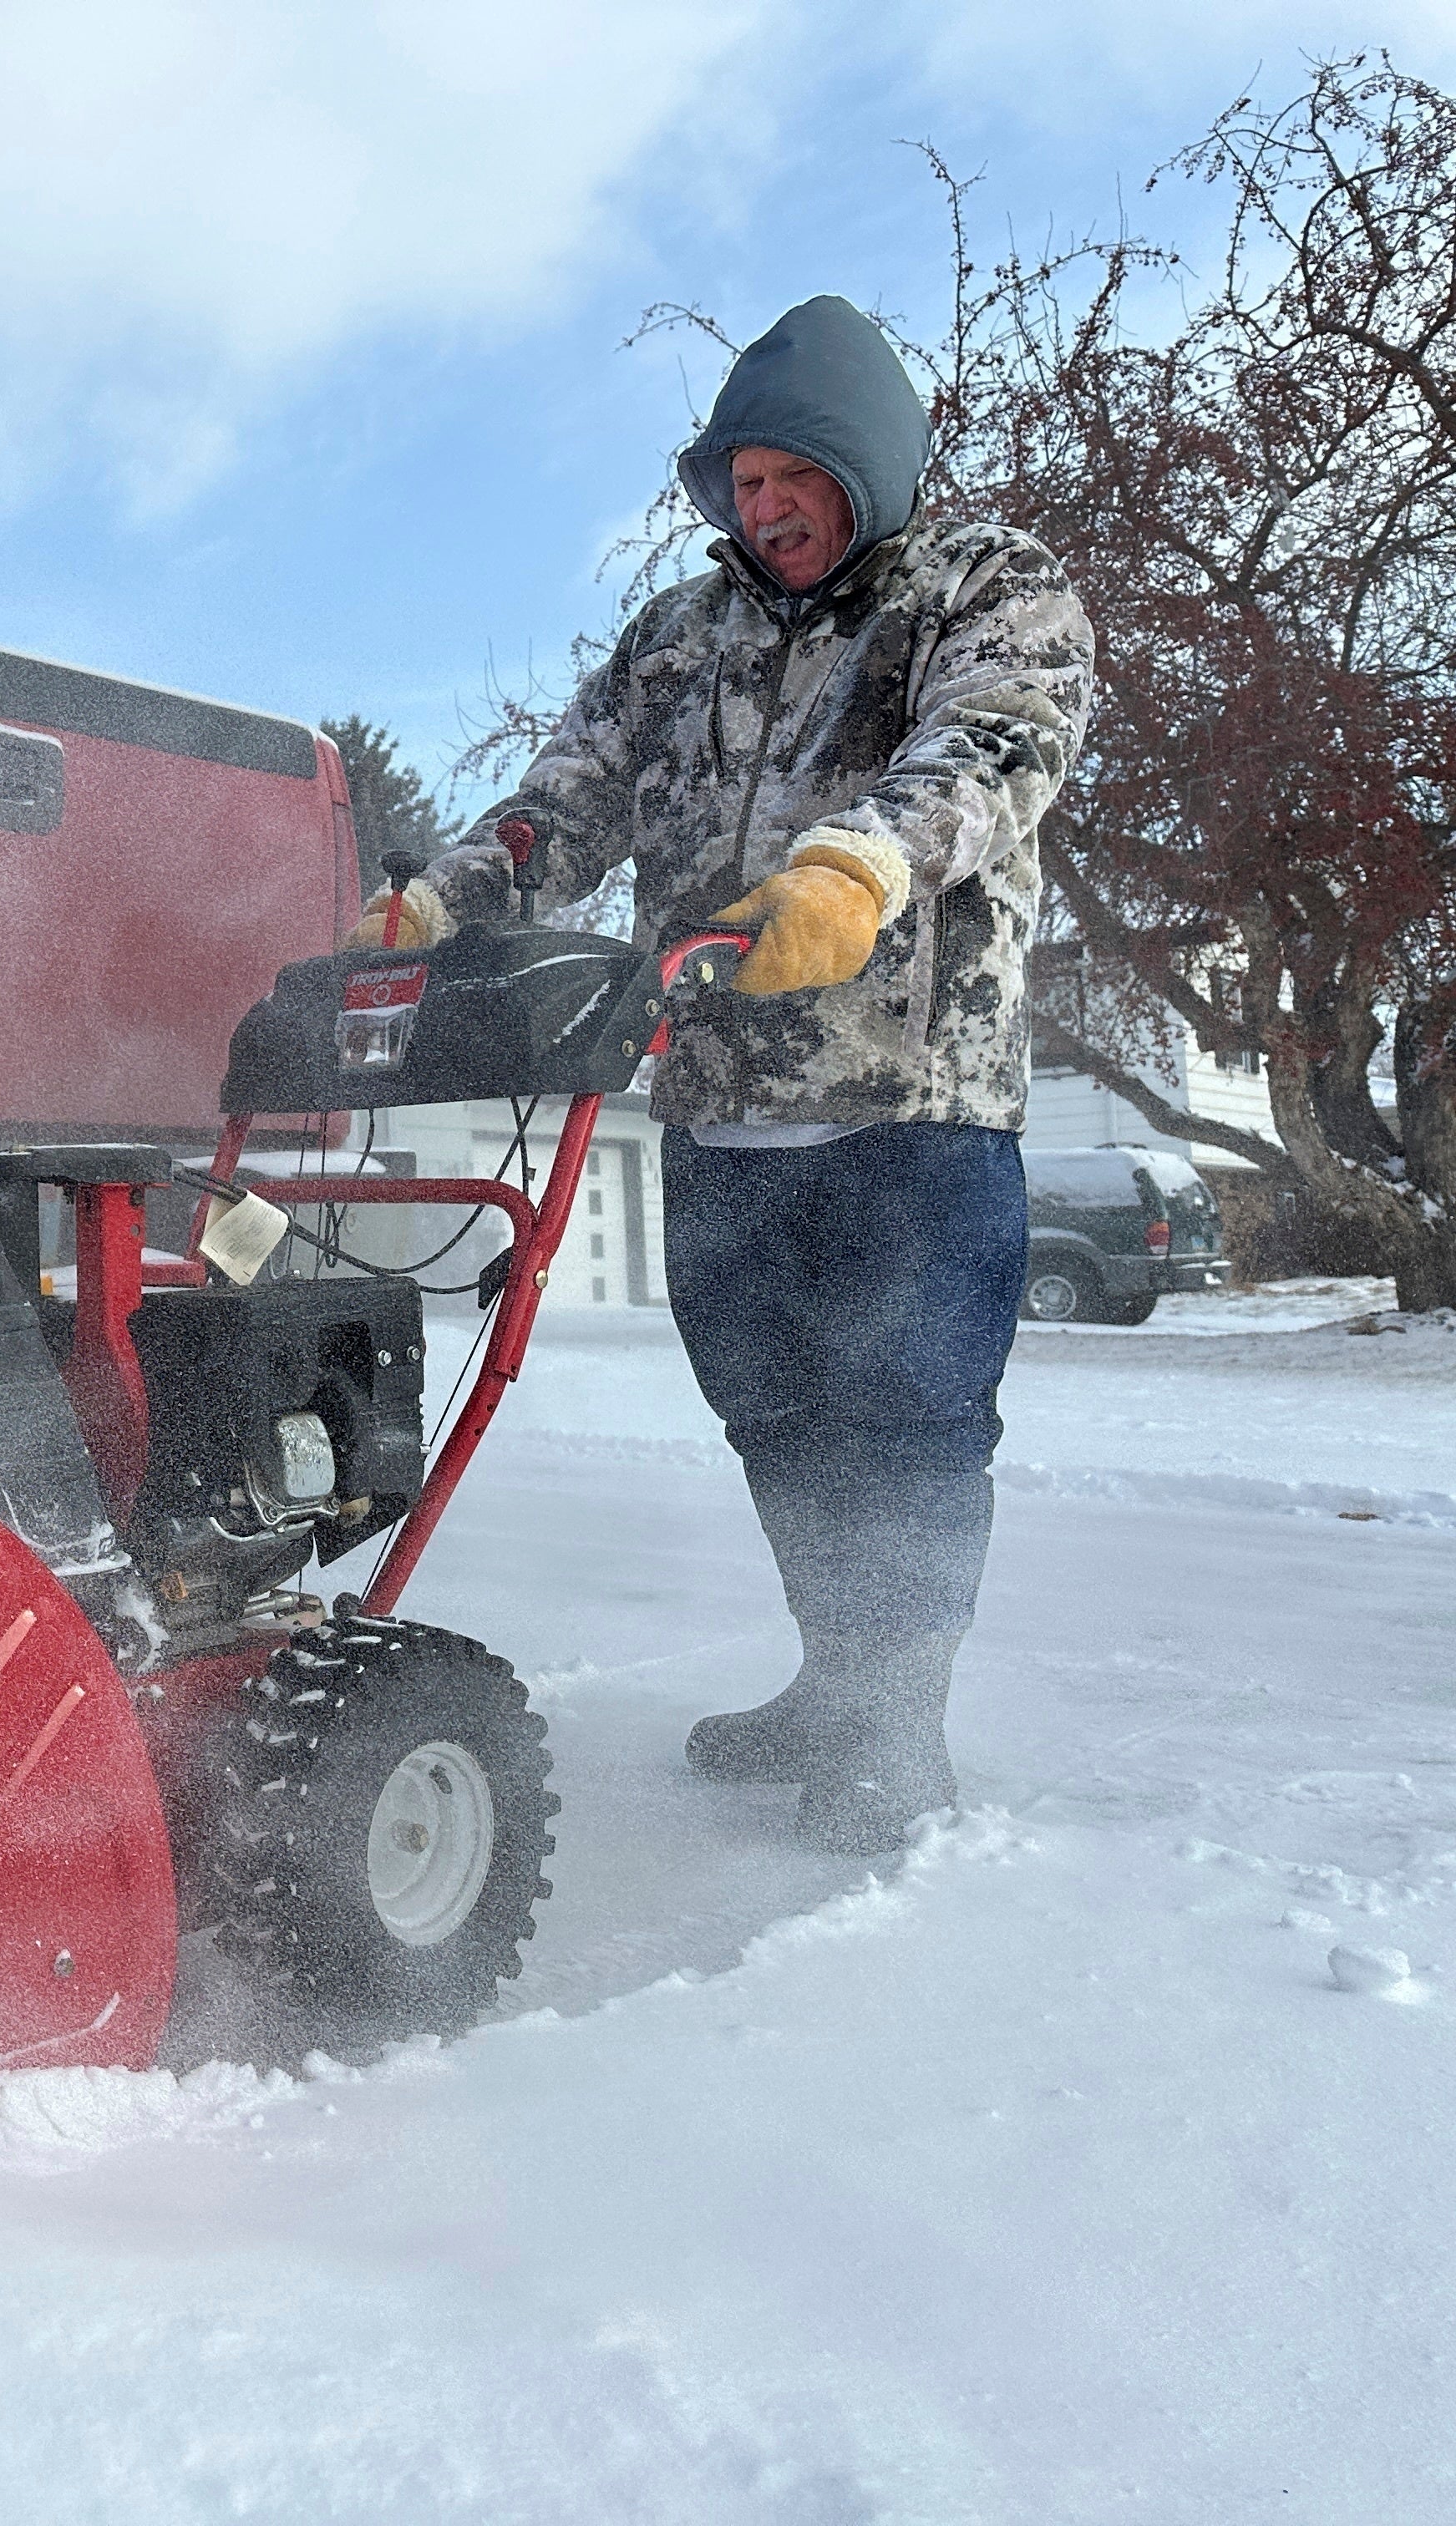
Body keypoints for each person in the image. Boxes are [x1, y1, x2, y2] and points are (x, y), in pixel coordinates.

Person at [353, 295, 1095, 1852]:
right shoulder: (684, 635)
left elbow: (994, 746)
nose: (763, 513)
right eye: (740, 487)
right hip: (715, 1105)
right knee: (776, 1414)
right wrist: (449, 890)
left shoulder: (985, 585)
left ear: (864, 464)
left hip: (910, 1106)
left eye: (792, 480)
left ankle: (897, 1718)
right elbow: (572, 792)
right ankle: (839, 1678)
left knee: (905, 1420)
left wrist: (855, 869)